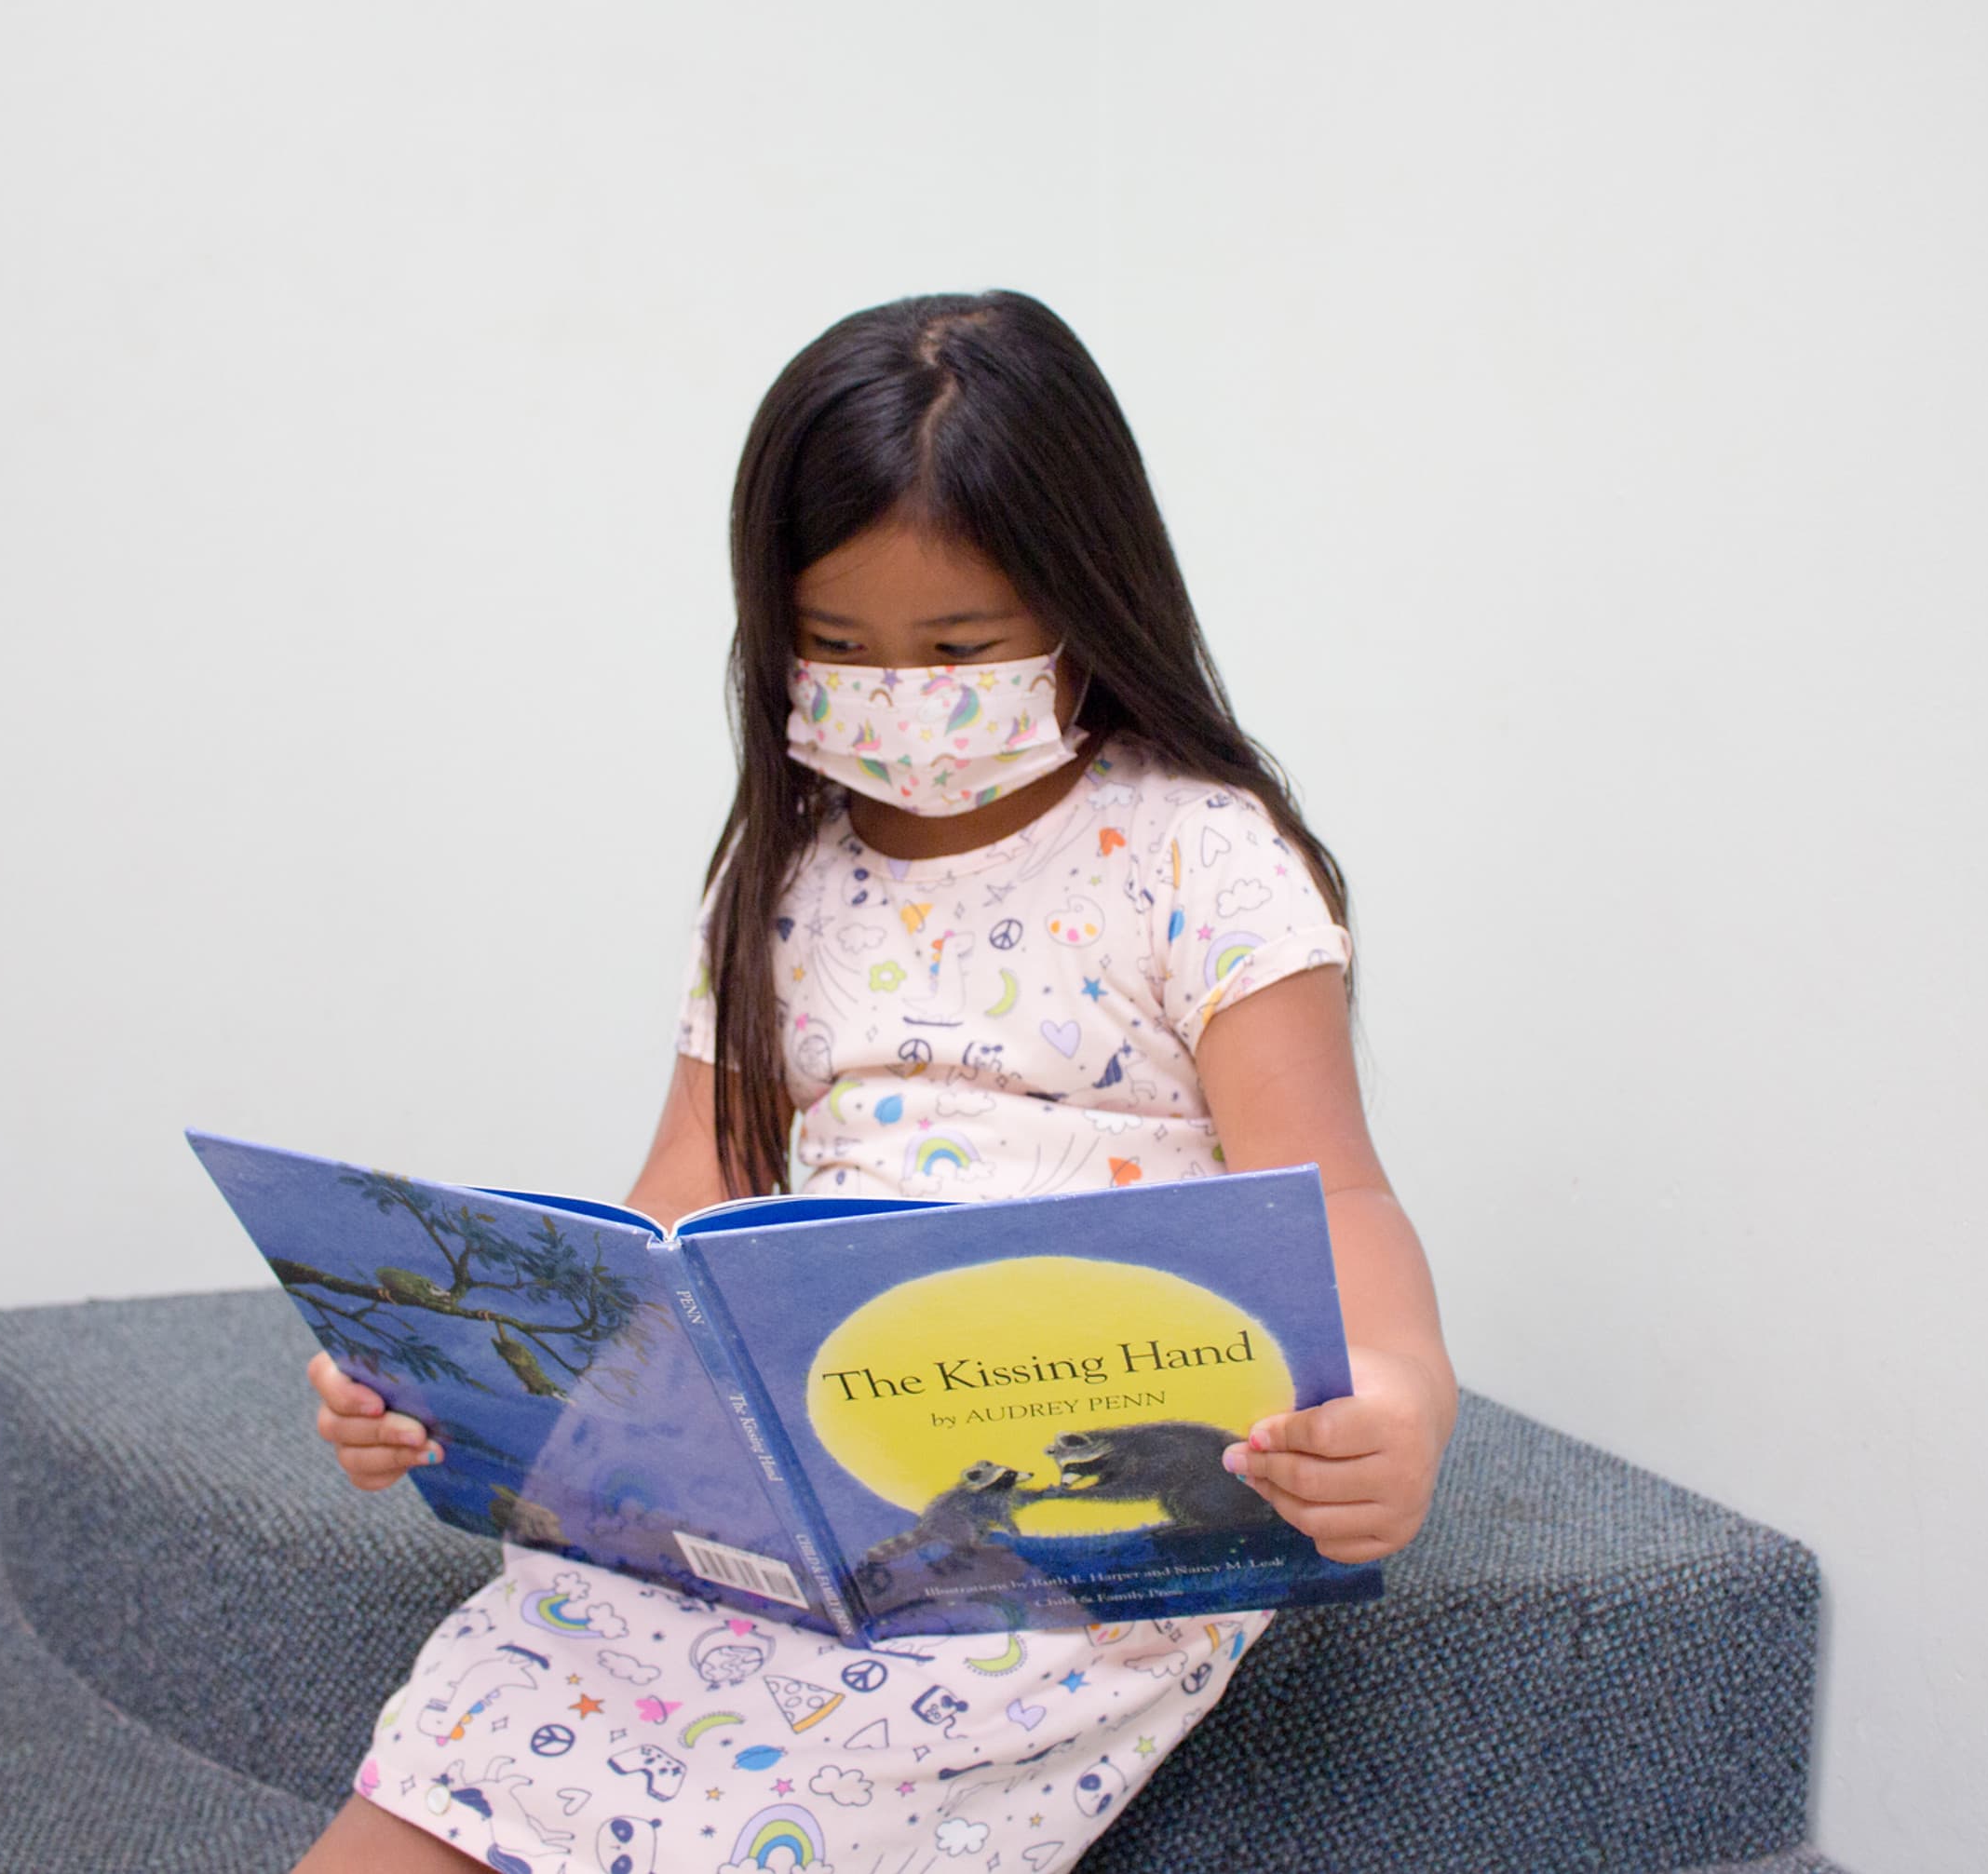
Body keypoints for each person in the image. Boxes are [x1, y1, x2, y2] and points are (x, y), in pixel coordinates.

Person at [290, 290, 1457, 1873]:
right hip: (804, 1461)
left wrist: (1397, 1390)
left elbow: (1339, 1193)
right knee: (521, 1675)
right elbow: (676, 1202)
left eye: (960, 647)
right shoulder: (781, 878)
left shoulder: (1201, 859)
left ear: (1084, 604)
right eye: (835, 646)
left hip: (1064, 1486)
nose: (898, 690)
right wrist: (452, 1384)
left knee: (859, 1734)